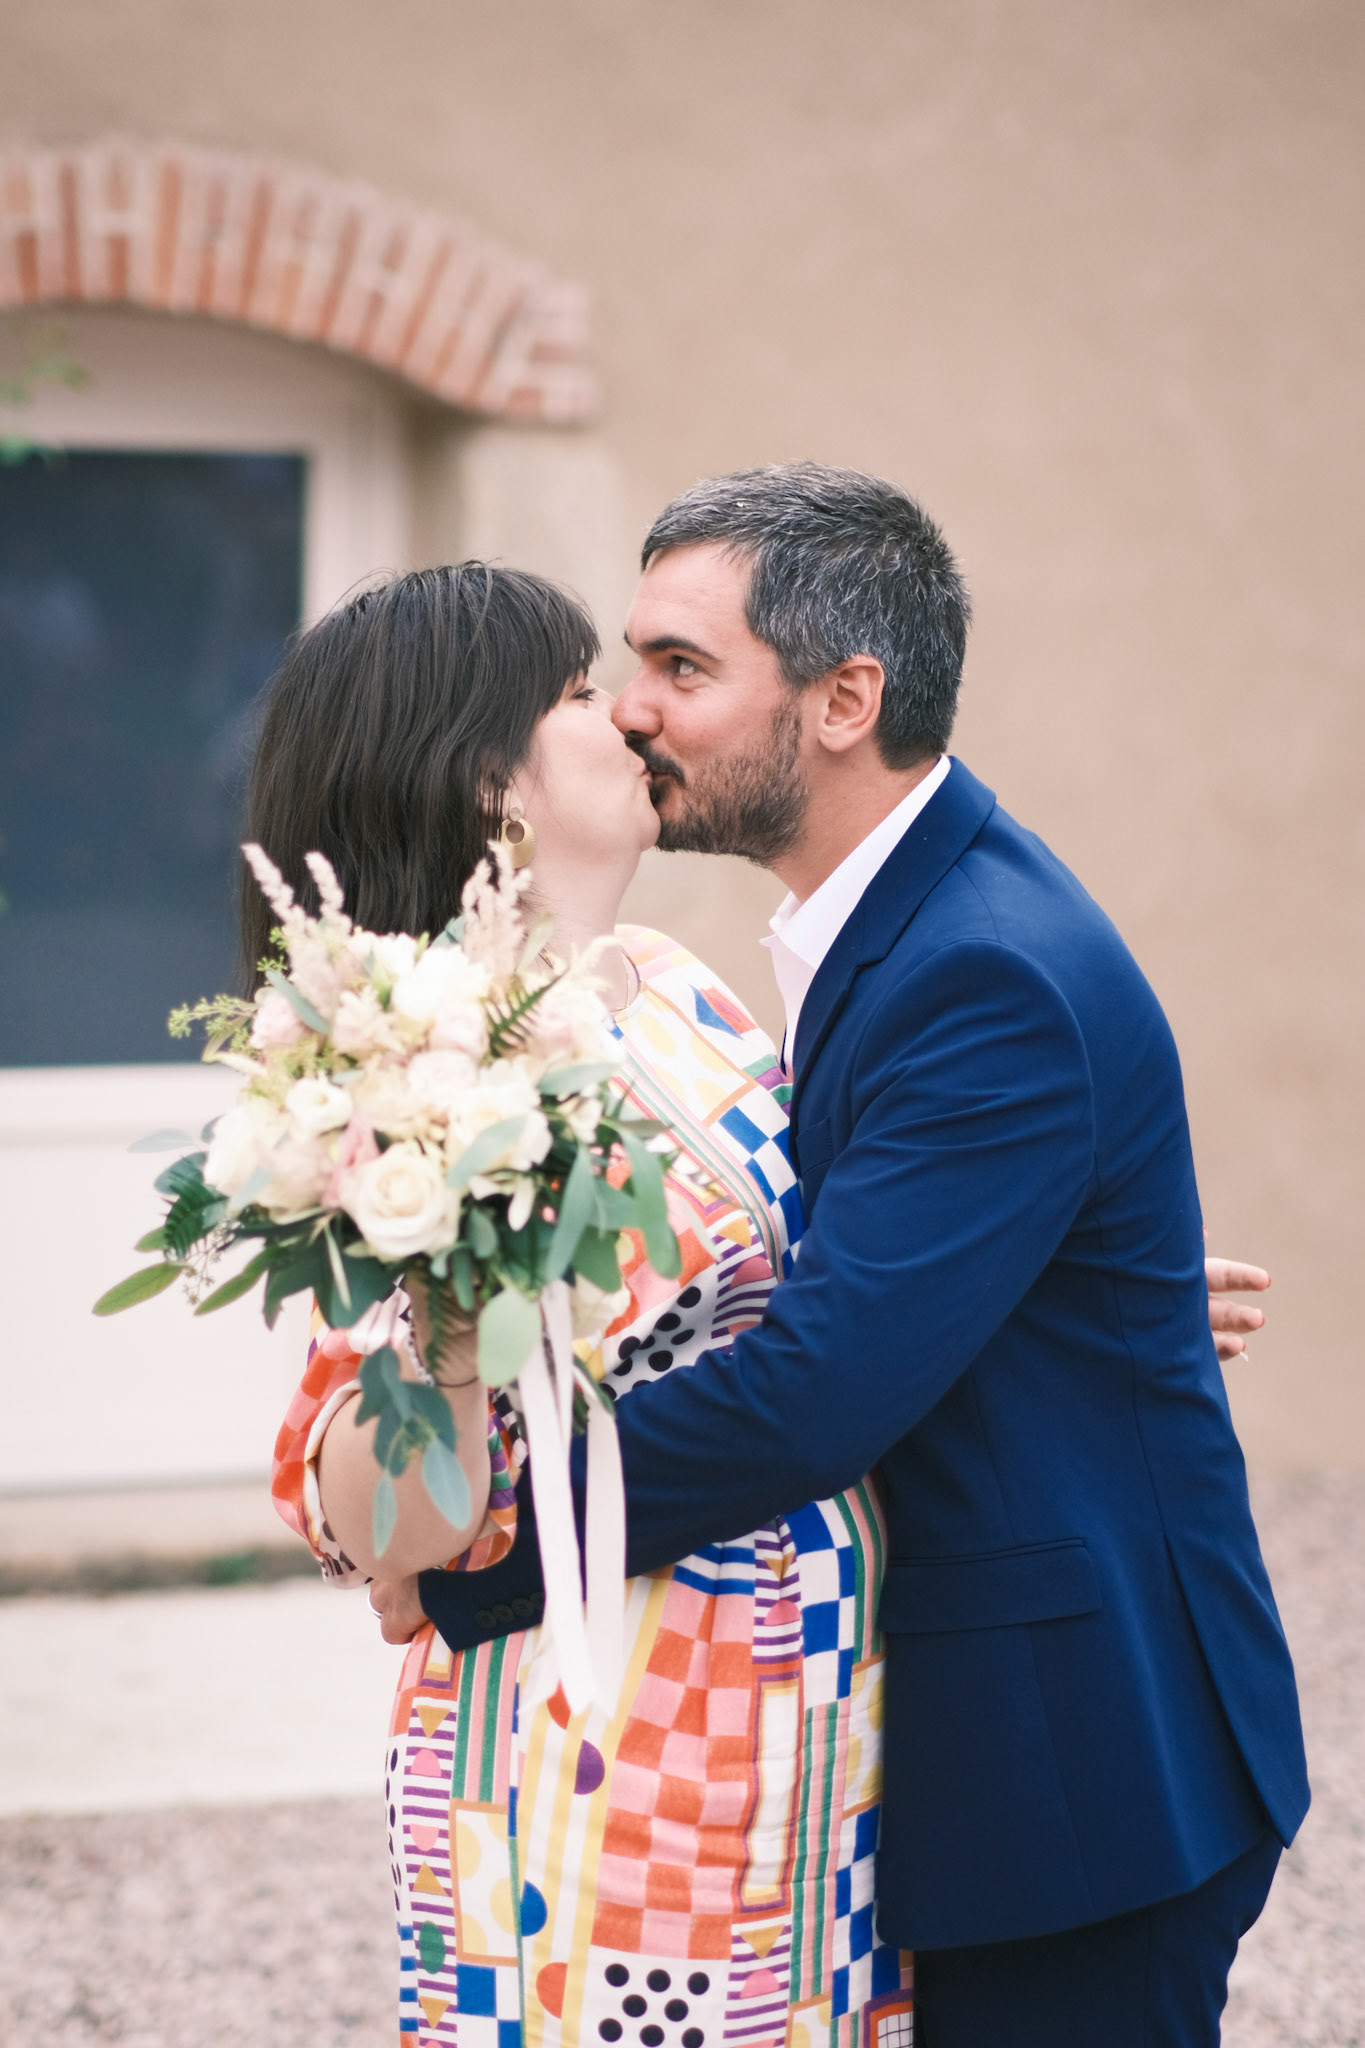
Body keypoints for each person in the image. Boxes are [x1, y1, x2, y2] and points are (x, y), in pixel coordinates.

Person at [409, 467, 1309, 2048]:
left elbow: (813, 1392)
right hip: (1004, 1749)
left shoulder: (978, 971)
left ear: (843, 701)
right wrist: (1073, 1290)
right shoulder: (899, 920)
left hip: (1078, 1773)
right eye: (631, 664)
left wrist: (481, 1550)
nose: (633, 710)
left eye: (682, 667)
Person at [263, 564, 918, 2048]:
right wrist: (444, 1343)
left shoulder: (671, 985)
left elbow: (841, 1270)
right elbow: (376, 1519)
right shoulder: (405, 1060)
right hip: (604, 1724)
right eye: (576, 692)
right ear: (488, 778)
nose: (627, 712)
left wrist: (1041, 1285)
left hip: (822, 1699)